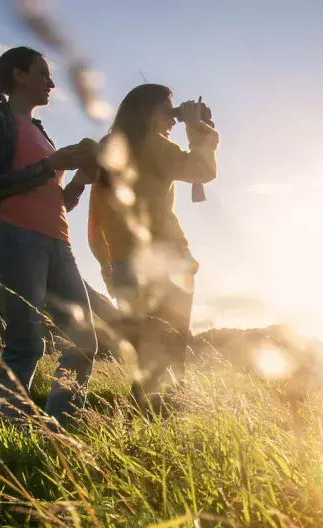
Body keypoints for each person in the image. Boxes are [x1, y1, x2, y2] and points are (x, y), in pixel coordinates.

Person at [0, 46, 100, 427]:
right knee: (27, 342)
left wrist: (78, 180)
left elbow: (58, 201)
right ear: (19, 75)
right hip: (19, 236)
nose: (51, 83)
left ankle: (59, 426)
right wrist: (50, 165)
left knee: (84, 339)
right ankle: (12, 427)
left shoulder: (39, 131)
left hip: (59, 241)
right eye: (43, 73)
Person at [87, 84, 218, 409]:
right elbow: (202, 170)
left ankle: (139, 433)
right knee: (168, 359)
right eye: (169, 111)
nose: (172, 120)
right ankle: (155, 434)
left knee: (149, 361)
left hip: (124, 267)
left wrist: (109, 269)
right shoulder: (153, 145)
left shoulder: (109, 148)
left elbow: (97, 221)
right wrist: (196, 128)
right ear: (149, 113)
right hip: (166, 262)